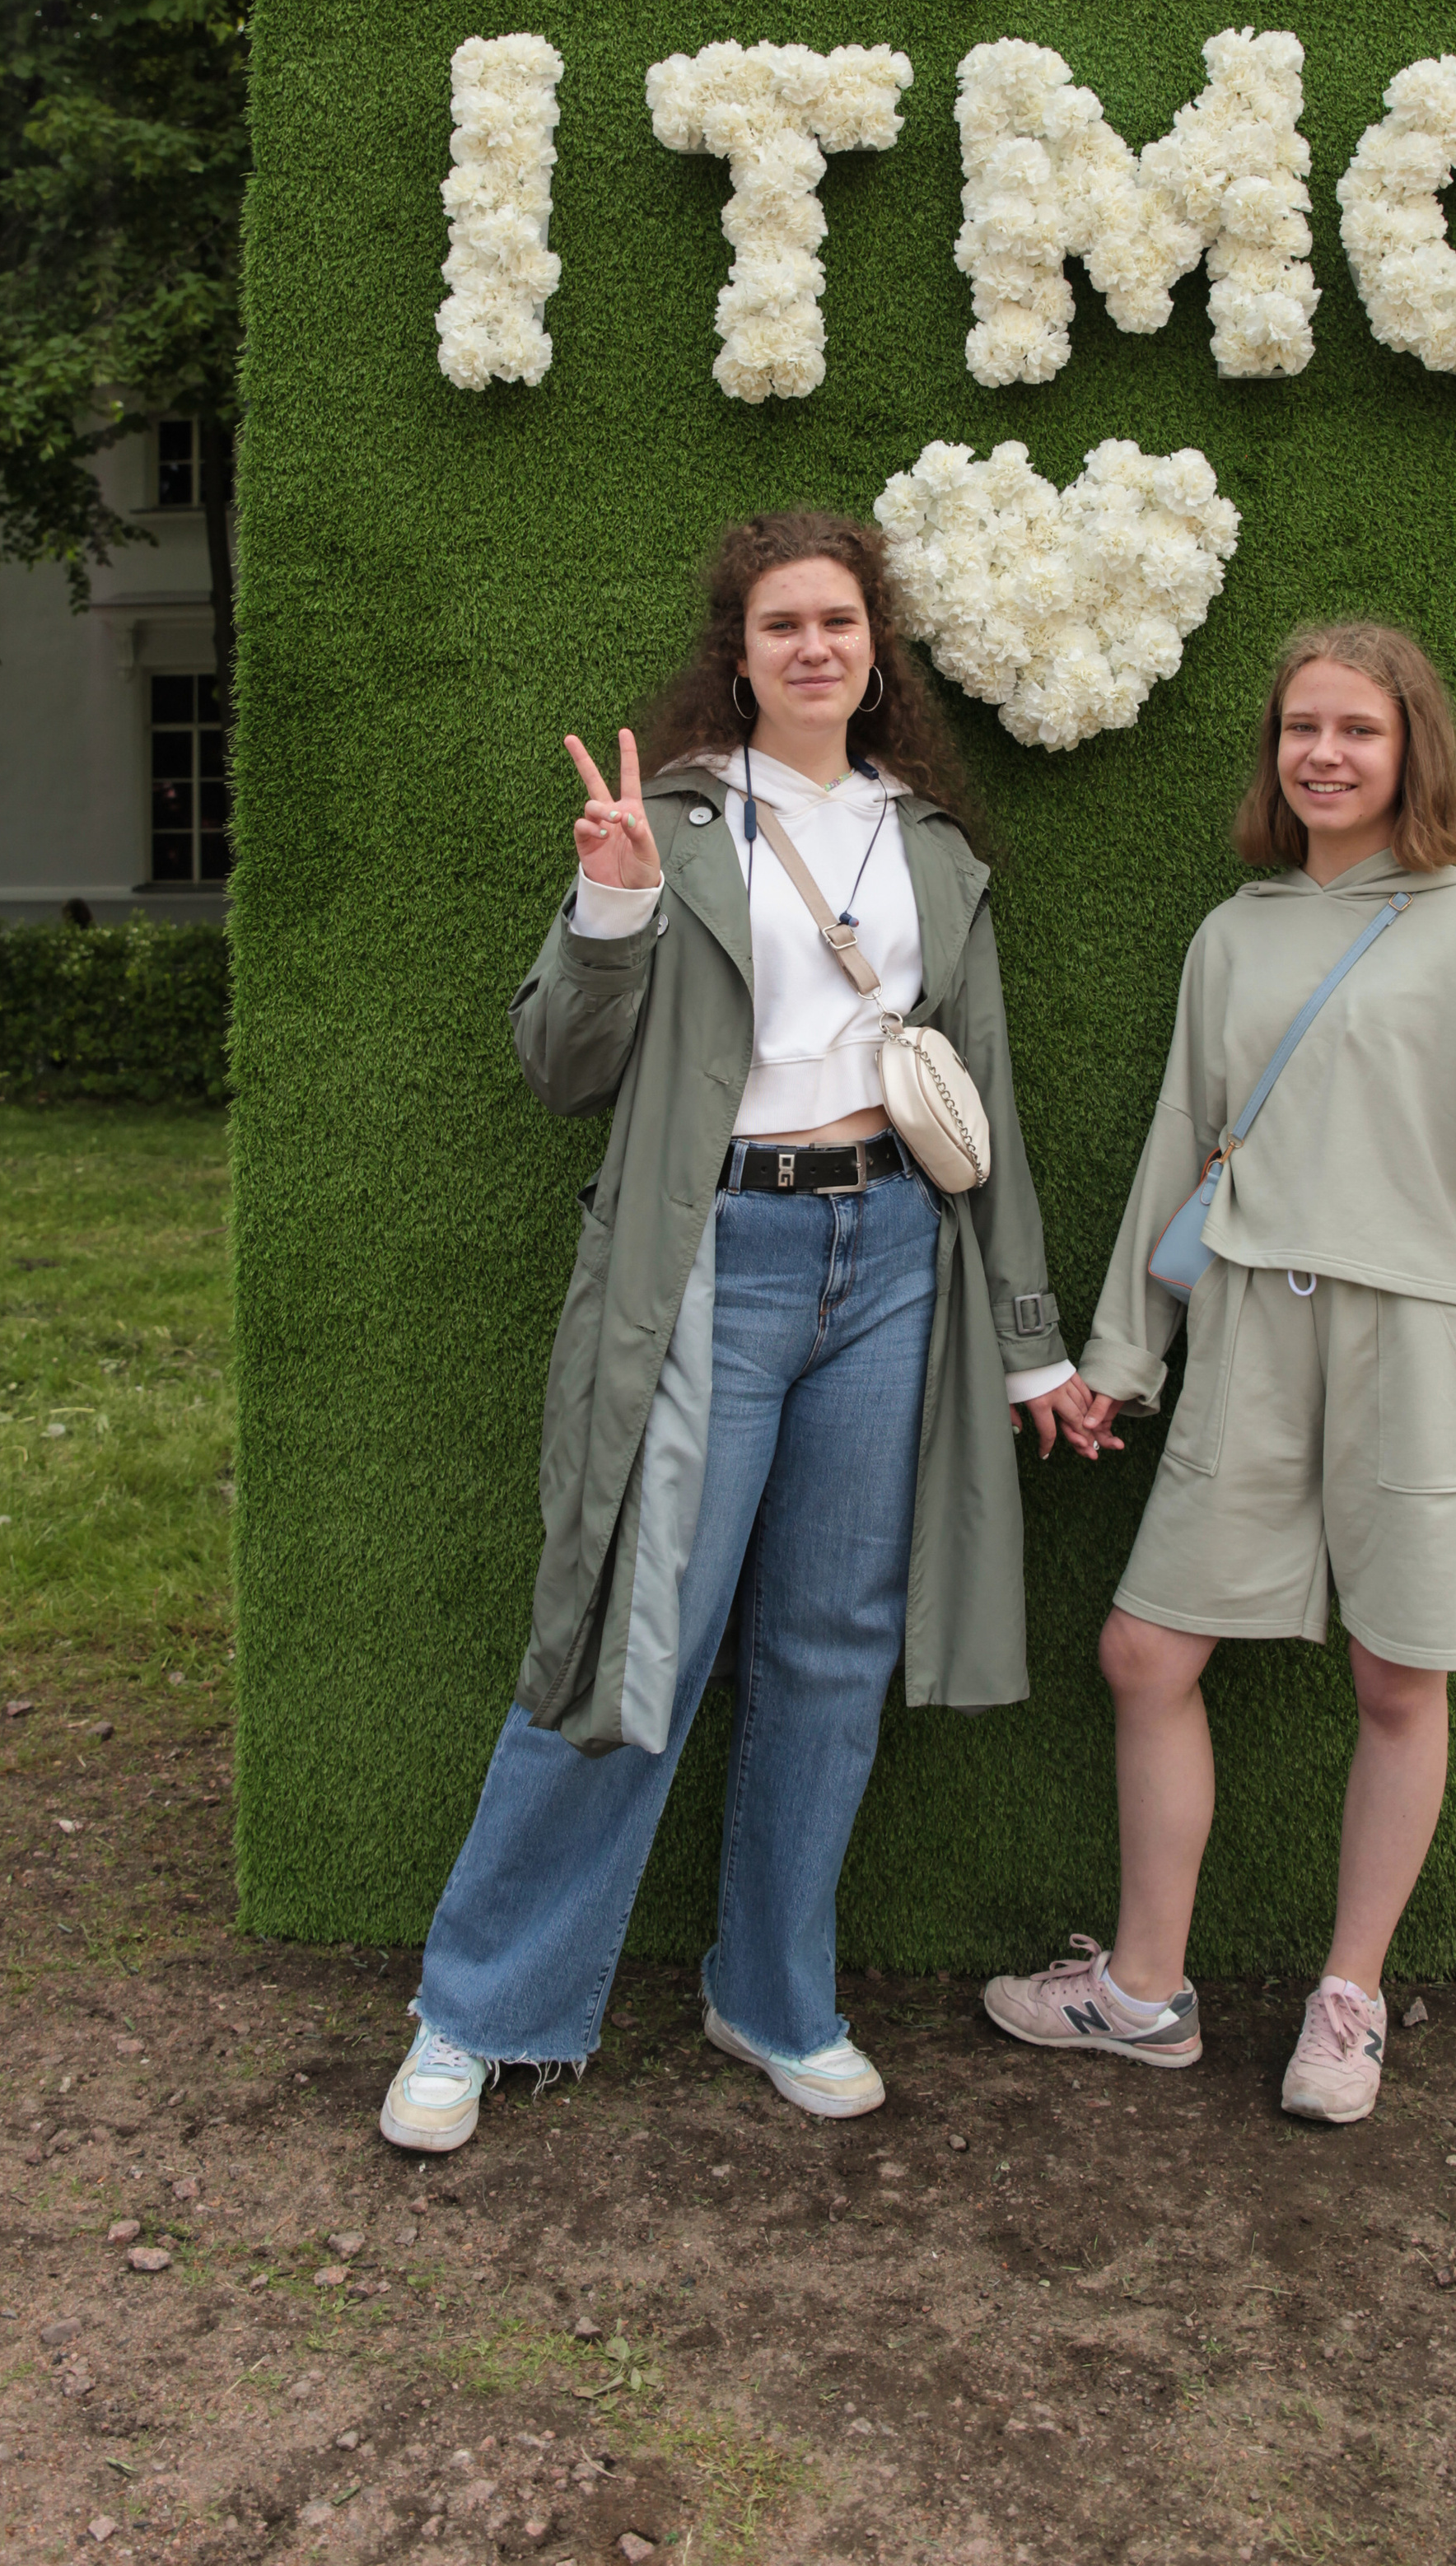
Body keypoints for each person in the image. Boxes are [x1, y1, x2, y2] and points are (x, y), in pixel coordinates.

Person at [381, 509, 1091, 2152]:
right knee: (638, 1637)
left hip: (894, 1255)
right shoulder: (680, 820)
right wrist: (608, 907)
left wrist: (1030, 1336)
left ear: (874, 649)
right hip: (717, 1255)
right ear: (739, 652)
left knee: (829, 1654)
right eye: (781, 625)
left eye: (838, 620)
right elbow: (559, 1068)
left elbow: (982, 1103)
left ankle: (771, 1997)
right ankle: (476, 2009)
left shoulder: (928, 846)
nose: (813, 647)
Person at [983, 620, 1456, 2124]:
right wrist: (1122, 1361)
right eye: (1300, 729)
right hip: (1257, 1322)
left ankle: (1349, 2003)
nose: (1324, 754)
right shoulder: (1233, 931)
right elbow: (1183, 1152)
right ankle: (1144, 1995)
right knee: (1148, 1652)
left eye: (1359, 731)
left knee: (1398, 1668)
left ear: (1414, 753)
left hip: (1419, 1332)